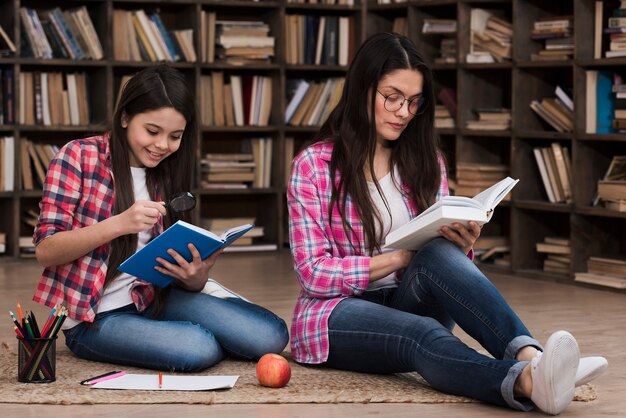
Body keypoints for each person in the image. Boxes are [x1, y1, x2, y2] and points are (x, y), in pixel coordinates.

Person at [287, 32, 607, 415]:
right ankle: (527, 381)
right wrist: (398, 259)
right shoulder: (314, 166)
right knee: (423, 333)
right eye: (392, 97)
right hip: (336, 313)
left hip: (408, 296)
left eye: (413, 102)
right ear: (362, 90)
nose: (403, 112)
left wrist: (460, 242)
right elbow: (313, 274)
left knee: (439, 251)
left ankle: (531, 354)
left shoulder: (426, 161)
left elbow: (443, 268)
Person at [33, 64, 288, 372]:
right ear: (125, 117)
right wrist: (119, 223)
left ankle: (190, 335)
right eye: (152, 131)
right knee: (198, 347)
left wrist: (195, 279)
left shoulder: (166, 172)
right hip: (95, 317)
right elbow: (46, 250)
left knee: (271, 337)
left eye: (175, 136)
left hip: (154, 299)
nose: (162, 145)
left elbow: (170, 266)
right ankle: (196, 338)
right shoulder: (78, 156)